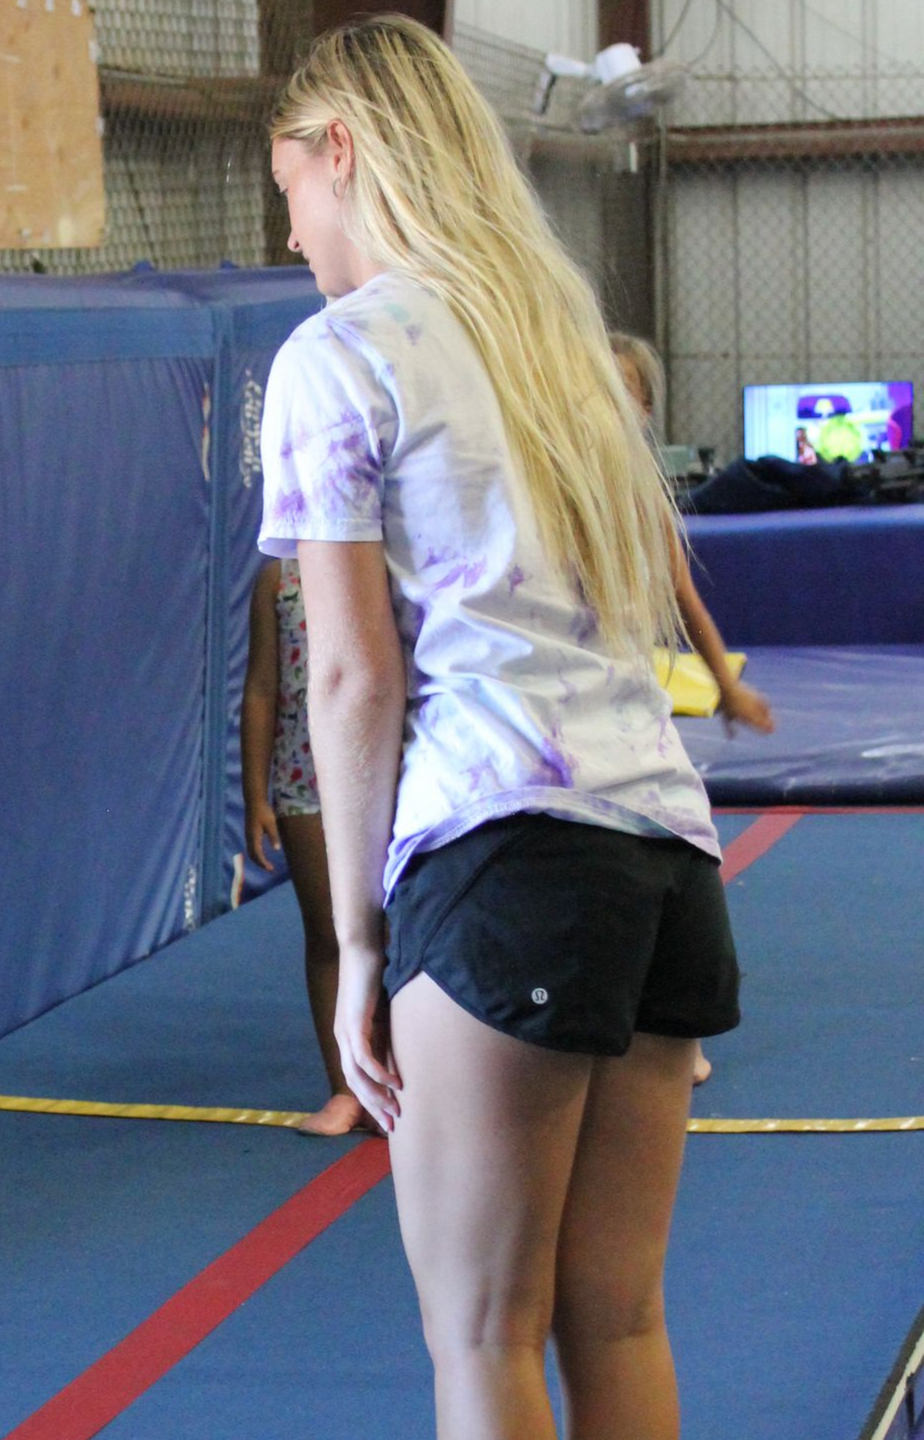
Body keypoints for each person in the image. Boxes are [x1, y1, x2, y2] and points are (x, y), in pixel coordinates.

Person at [260, 19, 739, 1439]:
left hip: (502, 851)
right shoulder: (560, 340)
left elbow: (349, 680)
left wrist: (356, 945)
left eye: (286, 186)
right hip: (665, 854)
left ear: (342, 152)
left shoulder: (336, 359)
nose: (288, 234)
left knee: (482, 1339)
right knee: (622, 1317)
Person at [609, 332, 774, 1085]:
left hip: (635, 704)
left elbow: (683, 596)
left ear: (644, 409)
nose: (605, 408)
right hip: (575, 708)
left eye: (622, 393)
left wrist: (726, 685)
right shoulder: (545, 478)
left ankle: (676, 1024)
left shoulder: (643, 492)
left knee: (677, 846)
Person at [240, 557, 369, 1134]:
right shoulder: (278, 576)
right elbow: (263, 688)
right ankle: (344, 1088)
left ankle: (402, 1078)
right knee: (329, 933)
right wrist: (256, 795)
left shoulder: (389, 559)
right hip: (305, 777)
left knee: (394, 936)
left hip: (384, 772)